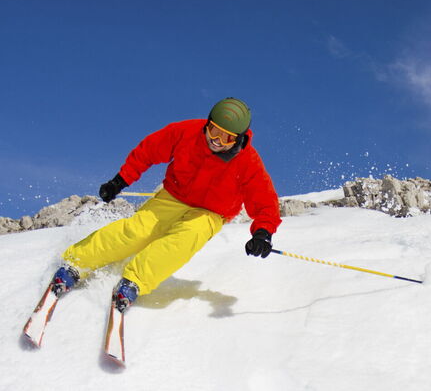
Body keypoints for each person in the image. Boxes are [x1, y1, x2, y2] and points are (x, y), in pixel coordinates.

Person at [51, 97, 281, 311]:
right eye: (214, 131)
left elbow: (264, 200)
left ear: (239, 138)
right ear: (207, 124)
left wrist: (263, 233)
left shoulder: (248, 162)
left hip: (211, 213)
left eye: (227, 138)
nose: (216, 141)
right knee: (137, 231)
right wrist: (120, 181)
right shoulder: (186, 132)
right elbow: (148, 151)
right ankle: (76, 263)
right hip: (173, 196)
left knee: (184, 239)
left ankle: (134, 282)